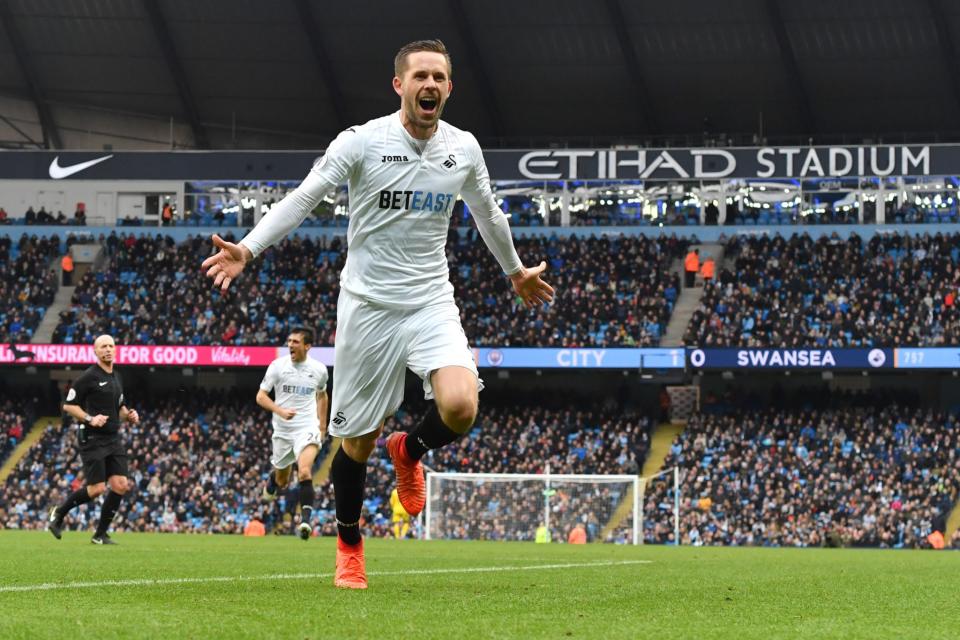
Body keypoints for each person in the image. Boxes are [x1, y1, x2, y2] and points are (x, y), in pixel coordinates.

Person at [202, 39, 554, 589]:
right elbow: (304, 196)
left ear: (449, 87)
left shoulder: (463, 148)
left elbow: (488, 212)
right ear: (400, 85)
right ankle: (348, 546)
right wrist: (248, 248)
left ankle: (409, 449)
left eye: (439, 76)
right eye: (420, 76)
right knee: (355, 444)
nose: (429, 84)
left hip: (430, 300)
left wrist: (513, 272)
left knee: (461, 406)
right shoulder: (362, 142)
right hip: (367, 307)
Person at [47, 334, 139, 545]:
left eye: (110, 346)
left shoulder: (117, 377)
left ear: (115, 350)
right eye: (103, 347)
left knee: (121, 485)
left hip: (113, 438)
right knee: (97, 489)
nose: (107, 349)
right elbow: (69, 406)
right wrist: (90, 418)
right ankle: (59, 513)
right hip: (92, 438)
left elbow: (120, 408)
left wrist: (129, 415)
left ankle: (100, 535)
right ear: (95, 352)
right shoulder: (88, 377)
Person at [256, 327, 328, 541]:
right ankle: (273, 479)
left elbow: (322, 396)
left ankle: (305, 521)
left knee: (304, 472)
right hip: (283, 430)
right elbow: (261, 396)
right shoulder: (277, 367)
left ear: (307, 346)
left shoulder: (319, 369)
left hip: (307, 427)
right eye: (289, 341)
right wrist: (280, 410)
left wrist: (322, 427)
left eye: (295, 342)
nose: (290, 345)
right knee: (283, 480)